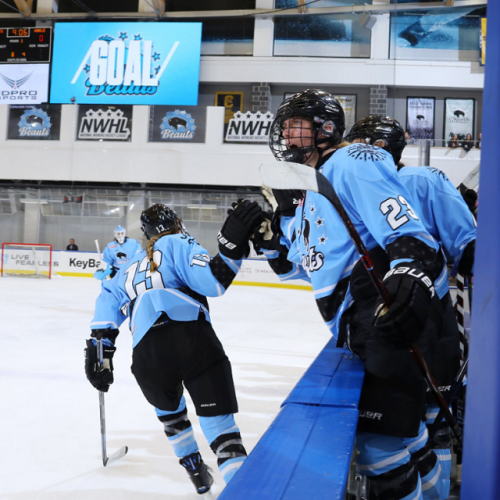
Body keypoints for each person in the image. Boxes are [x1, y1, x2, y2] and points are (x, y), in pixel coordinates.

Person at [255, 89, 448, 500]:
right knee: (404, 440)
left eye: (295, 127)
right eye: (284, 128)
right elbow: (307, 273)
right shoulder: (308, 189)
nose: (286, 136)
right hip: (358, 323)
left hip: (380, 314)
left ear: (325, 129)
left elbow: (409, 234)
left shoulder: (351, 160)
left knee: (381, 451)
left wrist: (410, 277)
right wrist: (272, 241)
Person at [84, 202, 262, 494]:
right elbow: (213, 282)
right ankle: (242, 490)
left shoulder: (127, 266)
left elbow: (104, 319)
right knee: (221, 432)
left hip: (148, 356)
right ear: (175, 224)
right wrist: (232, 244)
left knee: (172, 416)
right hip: (193, 340)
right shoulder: (177, 242)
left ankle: (197, 475)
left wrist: (99, 353)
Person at [344, 115, 477, 499]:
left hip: (415, 328)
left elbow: (469, 251)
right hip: (418, 327)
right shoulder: (416, 181)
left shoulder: (420, 180)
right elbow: (466, 251)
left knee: (412, 438)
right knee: (424, 436)